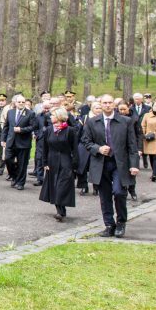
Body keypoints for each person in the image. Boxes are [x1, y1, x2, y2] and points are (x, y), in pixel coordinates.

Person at [82, 94, 139, 238]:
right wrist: (98, 148)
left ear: (114, 104)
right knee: (104, 196)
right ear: (100, 104)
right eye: (104, 103)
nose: (107, 105)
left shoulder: (125, 121)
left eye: (110, 102)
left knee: (119, 192)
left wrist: (134, 165)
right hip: (101, 163)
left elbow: (132, 145)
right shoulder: (92, 122)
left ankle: (121, 222)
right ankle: (109, 224)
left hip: (120, 163)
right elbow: (86, 141)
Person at [39, 107, 80, 221]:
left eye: (52, 115)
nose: (50, 117)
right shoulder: (48, 130)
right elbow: (45, 148)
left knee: (62, 185)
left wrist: (75, 165)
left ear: (59, 116)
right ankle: (60, 211)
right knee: (54, 185)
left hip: (66, 160)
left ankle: (61, 210)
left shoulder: (70, 131)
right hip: (52, 160)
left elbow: (75, 149)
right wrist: (44, 162)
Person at [2, 93, 37, 190]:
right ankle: (14, 176)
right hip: (11, 141)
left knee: (22, 164)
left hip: (23, 143)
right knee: (8, 159)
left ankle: (21, 182)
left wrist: (21, 130)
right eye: (19, 102)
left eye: (23, 102)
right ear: (15, 103)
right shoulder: (10, 112)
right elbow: (6, 126)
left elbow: (33, 126)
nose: (21, 103)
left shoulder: (30, 113)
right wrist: (3, 139)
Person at [118, 101, 143, 202]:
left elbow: (139, 134)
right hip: (121, 149)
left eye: (124, 109)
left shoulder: (134, 119)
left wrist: (139, 148)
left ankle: (132, 190)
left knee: (132, 171)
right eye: (120, 109)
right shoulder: (116, 120)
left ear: (129, 108)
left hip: (132, 148)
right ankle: (122, 189)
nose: (123, 111)